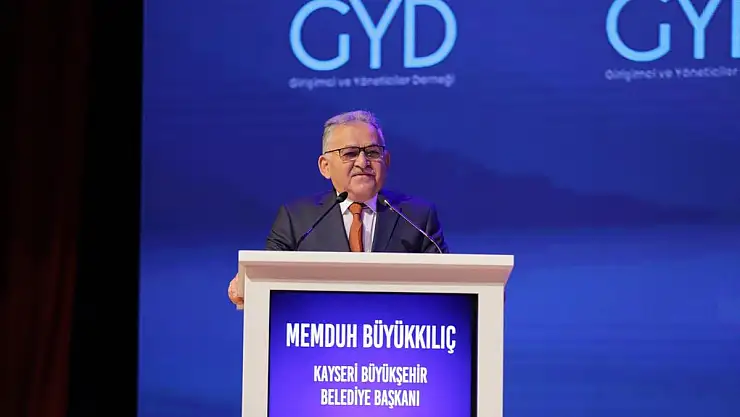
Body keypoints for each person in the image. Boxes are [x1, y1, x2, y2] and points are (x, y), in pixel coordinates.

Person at [227, 110, 449, 307]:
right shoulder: (297, 218)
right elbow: (267, 274)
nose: (363, 162)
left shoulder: (417, 217)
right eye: (350, 153)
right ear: (325, 166)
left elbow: (447, 285)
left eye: (372, 152)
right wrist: (247, 283)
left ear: (386, 161)